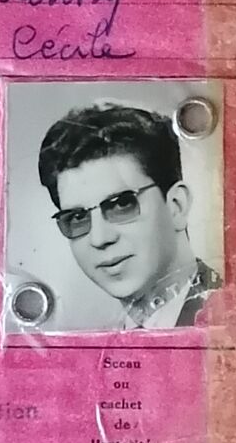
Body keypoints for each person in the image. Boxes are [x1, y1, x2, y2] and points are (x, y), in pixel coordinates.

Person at [36, 99, 219, 330]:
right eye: (77, 218)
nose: (99, 239)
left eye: (121, 204)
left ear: (177, 205)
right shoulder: (99, 338)